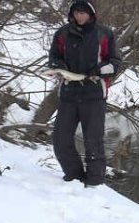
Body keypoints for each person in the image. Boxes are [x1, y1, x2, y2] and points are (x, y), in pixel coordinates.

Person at [48, 0, 122, 187]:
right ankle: (74, 177)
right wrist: (59, 67)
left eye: (83, 13)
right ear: (72, 14)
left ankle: (95, 183)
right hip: (68, 94)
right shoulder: (62, 33)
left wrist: (98, 71)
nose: (80, 16)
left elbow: (115, 63)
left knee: (93, 141)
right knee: (60, 139)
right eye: (76, 13)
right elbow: (54, 58)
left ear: (91, 14)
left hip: (94, 94)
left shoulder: (104, 33)